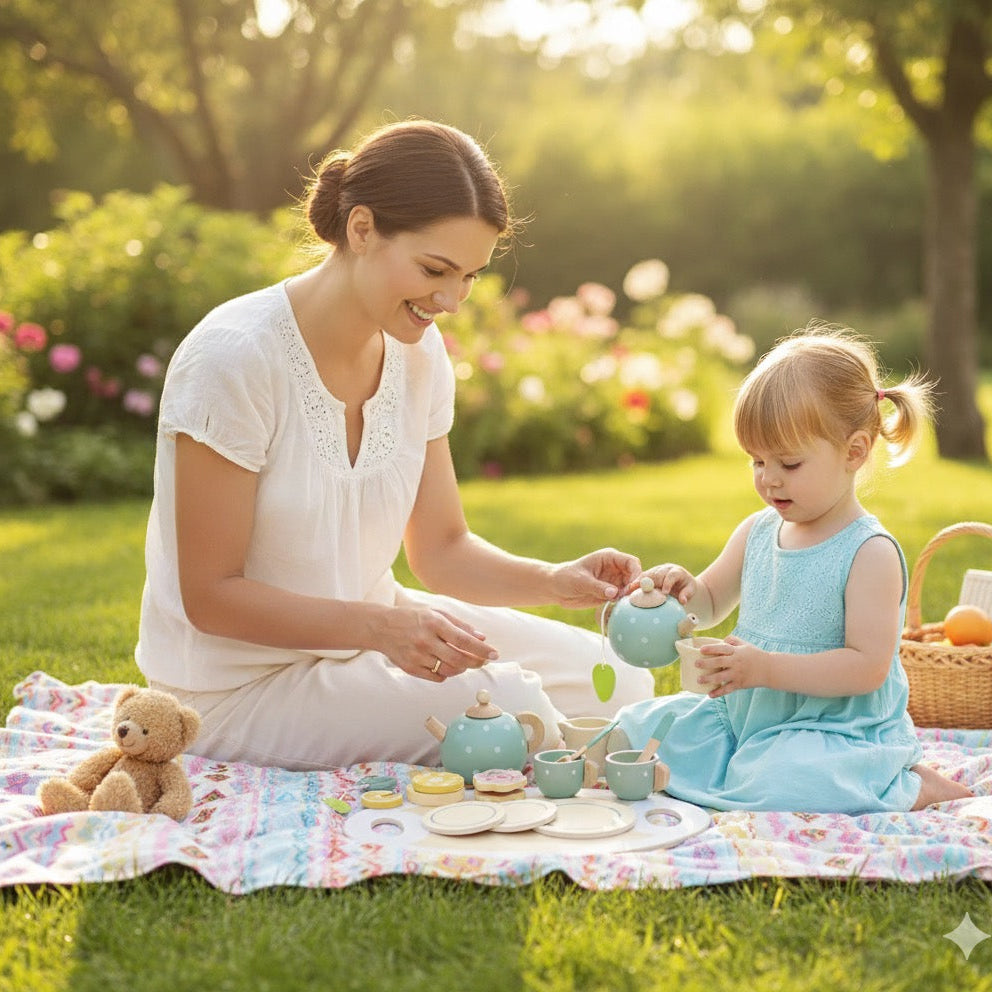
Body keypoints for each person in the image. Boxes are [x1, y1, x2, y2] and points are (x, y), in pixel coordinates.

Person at [135, 119, 653, 771]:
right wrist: (380, 630)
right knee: (519, 711)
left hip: (376, 637)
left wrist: (555, 581)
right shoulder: (234, 357)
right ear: (361, 229)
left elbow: (441, 549)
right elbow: (209, 596)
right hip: (233, 689)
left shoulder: (418, 355)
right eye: (435, 269)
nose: (451, 300)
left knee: (623, 687)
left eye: (469, 276)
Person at [614, 327, 972, 813]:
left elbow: (867, 668)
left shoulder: (869, 552)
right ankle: (738, 765)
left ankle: (906, 784)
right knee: (635, 731)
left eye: (789, 462)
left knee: (790, 778)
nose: (768, 479)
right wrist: (683, 590)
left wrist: (764, 668)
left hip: (830, 730)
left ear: (854, 452)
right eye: (757, 460)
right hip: (747, 718)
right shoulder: (758, 530)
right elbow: (710, 602)